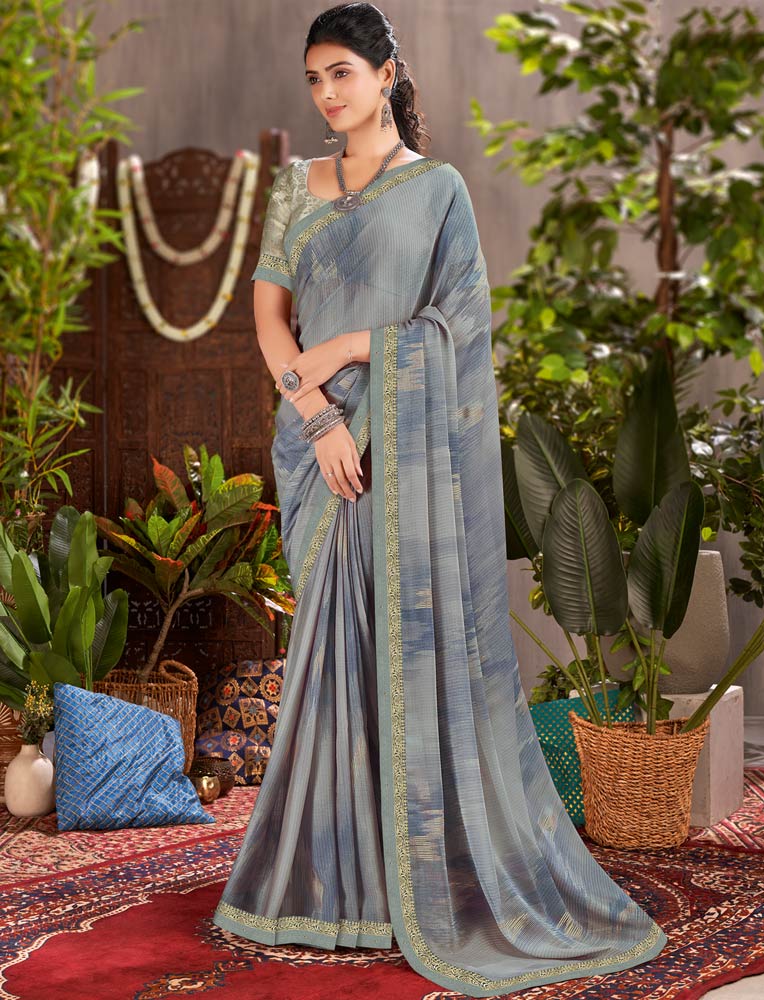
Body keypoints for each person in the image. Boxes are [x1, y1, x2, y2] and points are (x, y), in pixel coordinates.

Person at [212, 3, 668, 996]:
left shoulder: (438, 189)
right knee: (331, 653)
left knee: (396, 650)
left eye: (342, 72)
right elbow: (269, 317)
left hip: (402, 451)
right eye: (315, 79)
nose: (328, 94)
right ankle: (333, 876)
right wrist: (319, 418)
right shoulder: (297, 187)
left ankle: (406, 873)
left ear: (386, 73)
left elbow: (457, 329)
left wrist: (353, 346)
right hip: (322, 451)